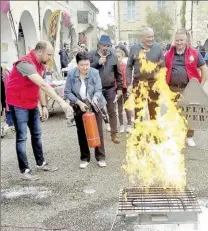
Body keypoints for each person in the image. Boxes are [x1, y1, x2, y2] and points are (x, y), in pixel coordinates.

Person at [6, 41, 74, 180]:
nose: (50, 57)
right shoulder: (25, 63)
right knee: (22, 137)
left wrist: (43, 106)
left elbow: (39, 87)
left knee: (37, 134)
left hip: (31, 103)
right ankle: (24, 171)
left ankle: (40, 163)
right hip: (18, 104)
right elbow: (43, 85)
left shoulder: (41, 65)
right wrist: (62, 102)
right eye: (49, 54)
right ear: (39, 52)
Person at [165, 28, 208, 147]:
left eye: (181, 40)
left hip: (189, 88)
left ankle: (189, 136)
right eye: (177, 40)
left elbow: (204, 69)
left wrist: (201, 85)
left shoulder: (194, 53)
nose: (179, 43)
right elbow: (162, 69)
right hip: (172, 89)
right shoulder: (168, 54)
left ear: (186, 40)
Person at [64, 52, 108, 169]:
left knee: (98, 130)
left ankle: (100, 157)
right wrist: (79, 102)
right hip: (80, 103)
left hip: (95, 103)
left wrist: (95, 98)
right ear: (77, 64)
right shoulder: (72, 74)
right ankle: (84, 158)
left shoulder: (94, 72)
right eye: (82, 65)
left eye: (87, 64)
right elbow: (67, 91)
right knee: (81, 132)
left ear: (90, 63)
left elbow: (99, 89)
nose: (85, 67)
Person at [126, 27, 164, 122]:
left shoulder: (158, 48)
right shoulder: (134, 49)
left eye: (152, 37)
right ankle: (139, 134)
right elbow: (129, 66)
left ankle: (154, 133)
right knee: (139, 110)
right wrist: (128, 83)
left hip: (153, 84)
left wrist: (161, 83)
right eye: (148, 37)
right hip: (138, 84)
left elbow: (163, 67)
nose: (151, 39)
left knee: (154, 110)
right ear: (142, 37)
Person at [90, 35, 123, 143]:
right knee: (97, 112)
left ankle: (114, 134)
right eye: (104, 45)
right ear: (99, 44)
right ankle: (98, 135)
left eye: (107, 45)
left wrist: (119, 88)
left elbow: (118, 74)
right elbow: (86, 69)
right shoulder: (91, 55)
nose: (105, 47)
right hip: (96, 89)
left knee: (112, 111)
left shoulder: (113, 56)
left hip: (110, 89)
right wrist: (97, 63)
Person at [115, 49, 133, 133]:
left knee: (127, 107)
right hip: (117, 89)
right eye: (116, 57)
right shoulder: (113, 66)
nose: (117, 58)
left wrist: (124, 88)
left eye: (119, 57)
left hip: (124, 89)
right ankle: (121, 125)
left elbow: (126, 78)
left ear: (122, 57)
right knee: (119, 108)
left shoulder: (125, 66)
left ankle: (129, 124)